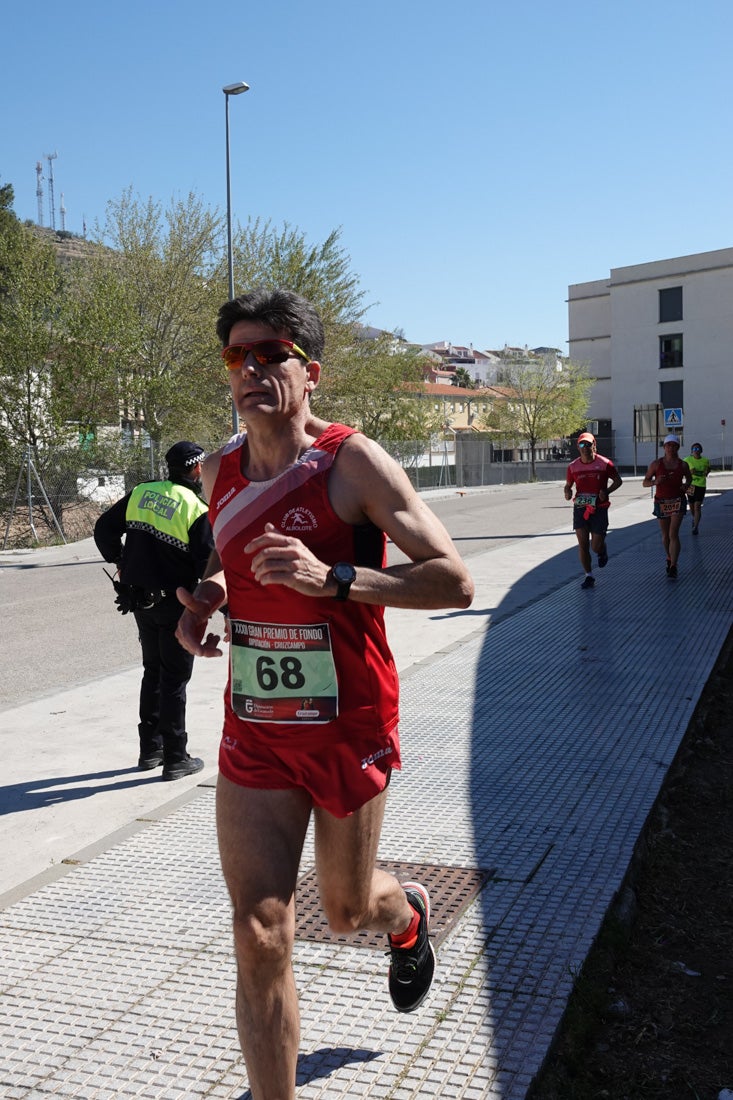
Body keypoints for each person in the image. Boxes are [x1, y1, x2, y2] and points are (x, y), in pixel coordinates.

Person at [174, 287, 474, 1100]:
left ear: (310, 373)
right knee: (258, 932)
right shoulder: (216, 470)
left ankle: (403, 915)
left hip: (348, 723)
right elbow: (227, 557)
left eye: (272, 355)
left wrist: (335, 578)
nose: (252, 370)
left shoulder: (353, 463)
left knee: (344, 912)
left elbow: (453, 581)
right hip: (258, 728)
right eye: (238, 356)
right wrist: (204, 601)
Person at [94, 441, 214, 779]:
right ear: (197, 469)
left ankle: (151, 749)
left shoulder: (141, 493)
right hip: (177, 605)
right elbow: (208, 565)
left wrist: (120, 560)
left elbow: (104, 528)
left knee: (153, 671)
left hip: (139, 601)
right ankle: (176, 757)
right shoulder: (196, 508)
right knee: (175, 677)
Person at [563, 432, 623, 589]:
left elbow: (618, 480)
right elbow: (568, 485)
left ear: (594, 445)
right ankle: (589, 575)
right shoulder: (573, 466)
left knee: (595, 546)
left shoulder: (604, 464)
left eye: (588, 444)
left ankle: (602, 551)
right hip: (581, 508)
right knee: (582, 544)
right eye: (582, 445)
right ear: (578, 447)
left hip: (599, 508)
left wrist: (607, 491)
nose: (585, 448)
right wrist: (567, 492)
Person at [642, 434, 692, 578]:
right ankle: (669, 557)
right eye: (668, 445)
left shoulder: (682, 465)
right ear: (664, 447)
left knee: (673, 533)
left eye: (674, 445)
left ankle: (673, 566)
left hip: (678, 500)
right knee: (665, 536)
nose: (671, 448)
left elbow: (689, 477)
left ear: (677, 447)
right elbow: (645, 482)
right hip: (661, 501)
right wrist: (655, 482)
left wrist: (686, 485)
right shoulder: (656, 464)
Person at [685, 441, 711, 534]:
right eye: (694, 449)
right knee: (691, 507)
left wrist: (707, 472)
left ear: (701, 451)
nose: (696, 451)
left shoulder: (705, 460)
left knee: (697, 507)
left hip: (701, 485)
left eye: (698, 449)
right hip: (690, 485)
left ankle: (695, 527)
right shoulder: (687, 459)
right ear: (691, 451)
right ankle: (694, 519)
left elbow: (708, 469)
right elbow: (684, 469)